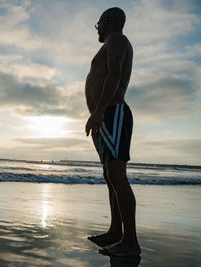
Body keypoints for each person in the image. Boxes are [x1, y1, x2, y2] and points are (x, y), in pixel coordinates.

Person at [85, 7, 141, 256]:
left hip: (113, 112)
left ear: (107, 21)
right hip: (105, 117)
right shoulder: (110, 42)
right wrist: (97, 114)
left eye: (99, 22)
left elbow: (115, 75)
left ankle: (130, 241)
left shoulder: (117, 39)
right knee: (110, 175)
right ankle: (115, 232)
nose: (97, 26)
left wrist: (98, 111)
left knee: (117, 174)